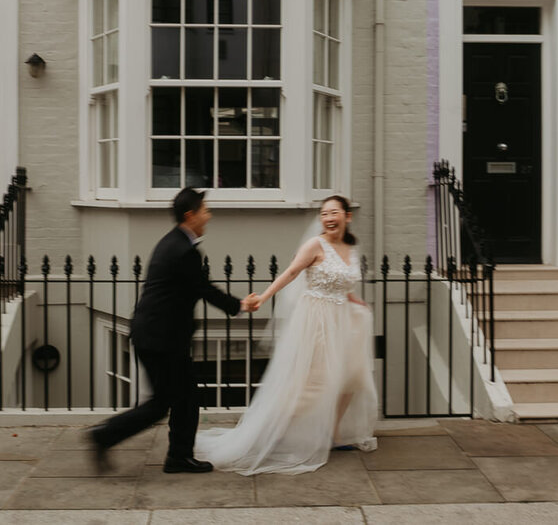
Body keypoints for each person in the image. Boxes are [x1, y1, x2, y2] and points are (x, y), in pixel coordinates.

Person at [195, 195, 378, 475]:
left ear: (347, 216)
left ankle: (334, 433)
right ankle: (269, 429)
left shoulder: (349, 247)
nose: (328, 218)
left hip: (343, 319)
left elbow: (343, 281)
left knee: (351, 377)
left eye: (334, 212)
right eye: (324, 213)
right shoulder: (315, 245)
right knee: (314, 383)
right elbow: (291, 272)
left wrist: (354, 300)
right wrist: (264, 297)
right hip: (317, 321)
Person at [89, 187, 255, 474]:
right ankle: (106, 435)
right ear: (190, 215)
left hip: (158, 336)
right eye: (205, 210)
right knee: (164, 403)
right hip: (161, 339)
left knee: (183, 398)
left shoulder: (172, 243)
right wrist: (240, 305)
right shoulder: (183, 250)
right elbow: (203, 289)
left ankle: (178, 456)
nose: (209, 215)